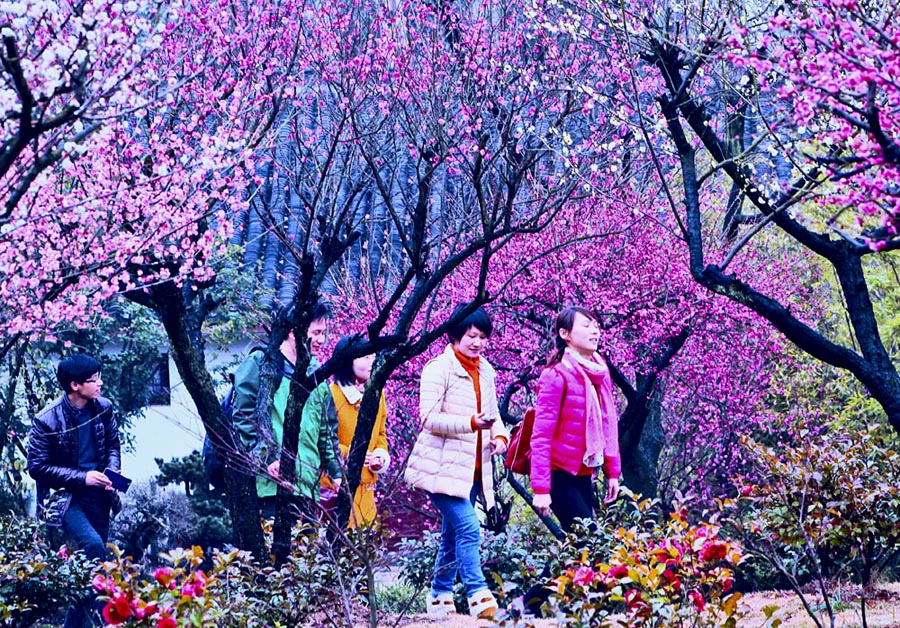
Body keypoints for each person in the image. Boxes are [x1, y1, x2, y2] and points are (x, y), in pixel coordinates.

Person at [404, 304, 509, 620]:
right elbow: (428, 418)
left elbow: (494, 415)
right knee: (469, 527)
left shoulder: (485, 371)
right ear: (456, 334)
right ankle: (478, 595)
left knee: (453, 535)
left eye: (483, 337)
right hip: (441, 467)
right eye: (471, 335)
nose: (478, 343)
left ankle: (440, 595)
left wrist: (500, 438)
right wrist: (470, 423)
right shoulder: (439, 368)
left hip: (473, 469)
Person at [524, 306, 621, 616]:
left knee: (578, 545)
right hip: (558, 473)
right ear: (565, 334)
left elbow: (608, 424)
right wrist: (541, 489)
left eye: (596, 325)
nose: (595, 331)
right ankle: (599, 609)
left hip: (583, 472)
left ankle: (528, 605)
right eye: (586, 326)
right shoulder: (555, 376)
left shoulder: (599, 371)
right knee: (589, 540)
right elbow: (540, 435)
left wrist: (613, 472)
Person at [27, 354, 122, 628]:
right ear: (75, 385)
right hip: (64, 498)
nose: (100, 384)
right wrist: (83, 478)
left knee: (92, 566)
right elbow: (37, 466)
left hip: (99, 494)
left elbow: (113, 445)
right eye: (94, 380)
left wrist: (112, 474)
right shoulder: (46, 420)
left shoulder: (104, 408)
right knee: (94, 546)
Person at [232, 303, 342, 520]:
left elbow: (326, 431)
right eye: (316, 333)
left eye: (324, 333)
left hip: (308, 487)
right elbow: (243, 415)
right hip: (270, 485)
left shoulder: (317, 374)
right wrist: (268, 458)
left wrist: (336, 472)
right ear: (293, 331)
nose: (321, 340)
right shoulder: (262, 364)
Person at [320, 336, 390, 528]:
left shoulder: (377, 393)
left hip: (366, 494)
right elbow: (323, 439)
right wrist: (349, 452)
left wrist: (379, 456)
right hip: (337, 489)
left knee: (367, 542)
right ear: (347, 360)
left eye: (373, 357)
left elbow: (381, 434)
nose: (372, 362)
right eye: (365, 357)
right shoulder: (330, 395)